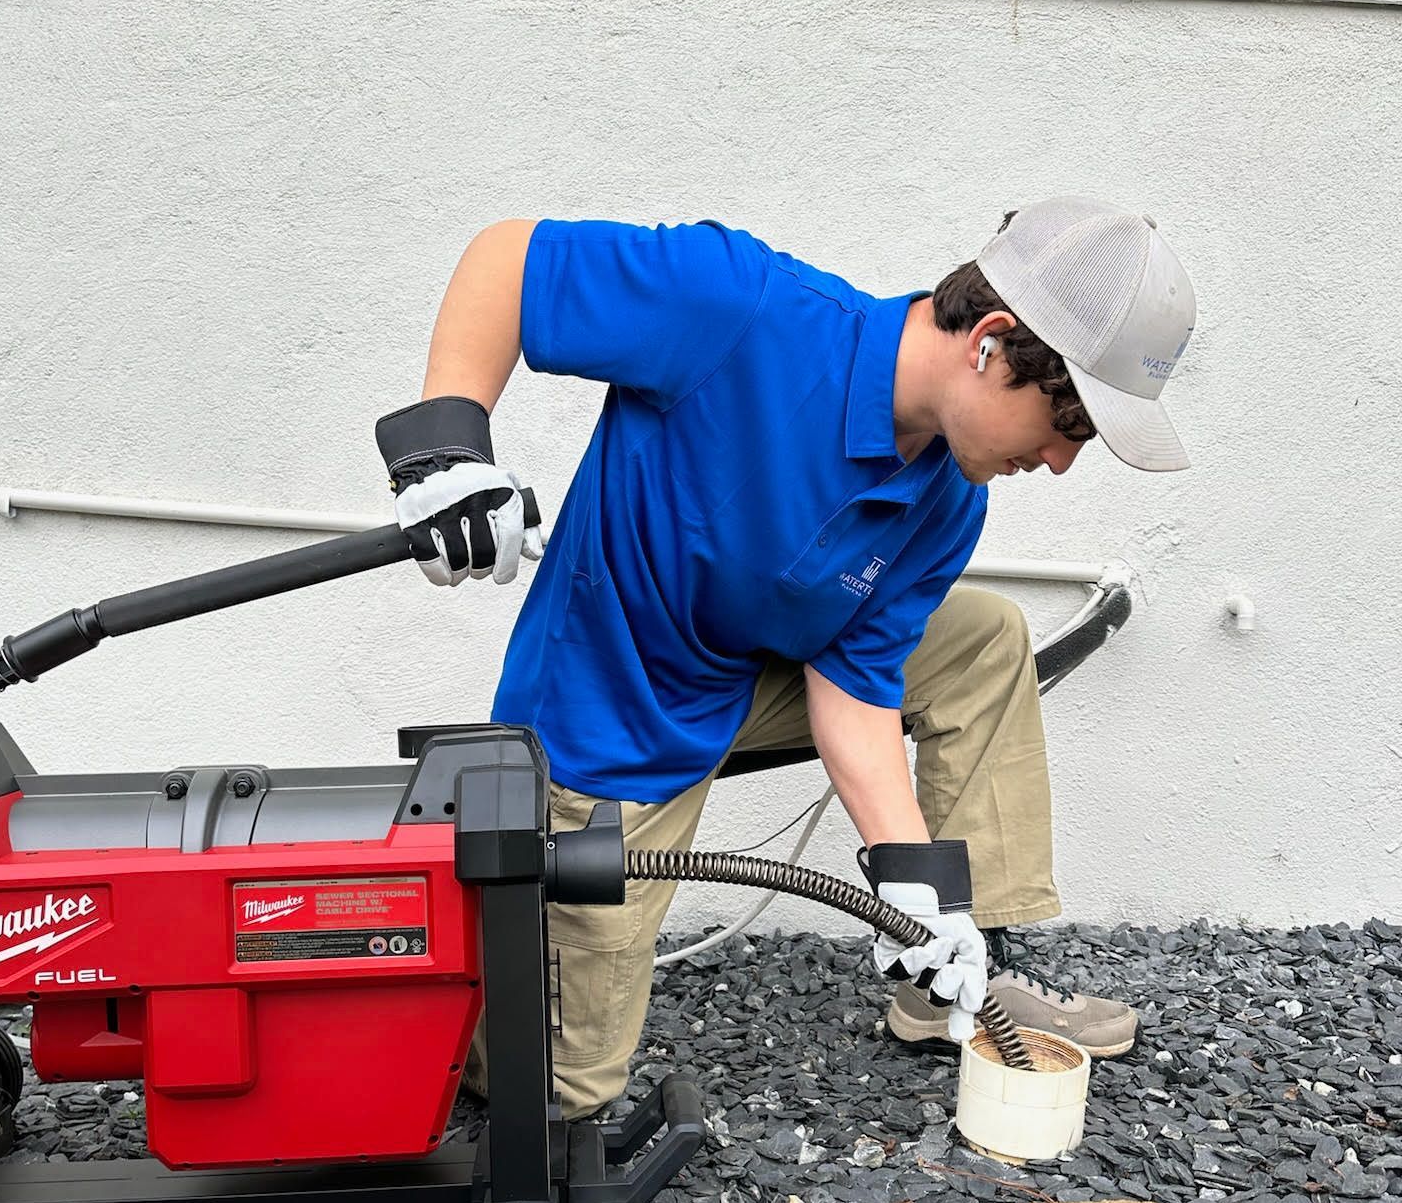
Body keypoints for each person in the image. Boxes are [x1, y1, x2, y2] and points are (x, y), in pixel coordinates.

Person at [375, 198, 1196, 1120]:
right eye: (1070, 424)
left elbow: (856, 688)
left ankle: (956, 979)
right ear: (993, 342)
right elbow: (511, 265)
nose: (1058, 463)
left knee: (983, 638)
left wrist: (917, 888)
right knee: (553, 1094)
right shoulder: (743, 311)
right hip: (613, 722)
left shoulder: (947, 503)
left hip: (742, 683)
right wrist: (445, 448)